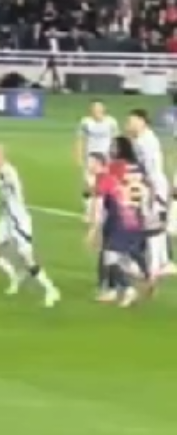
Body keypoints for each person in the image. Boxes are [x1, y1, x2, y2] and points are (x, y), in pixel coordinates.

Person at [0, 145, 60, 306]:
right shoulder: (0, 171)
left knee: (28, 260)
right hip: (6, 220)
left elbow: (6, 180)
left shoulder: (8, 171)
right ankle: (14, 276)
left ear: (1, 156)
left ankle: (51, 290)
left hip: (20, 222)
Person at [89, 138, 152, 307]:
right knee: (122, 253)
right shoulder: (139, 167)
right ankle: (139, 275)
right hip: (136, 214)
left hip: (119, 215)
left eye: (114, 147)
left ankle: (122, 286)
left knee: (109, 255)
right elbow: (147, 188)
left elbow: (107, 187)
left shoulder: (116, 167)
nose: (111, 150)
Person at [126, 108, 174, 279]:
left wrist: (153, 191)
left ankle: (152, 264)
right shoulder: (141, 139)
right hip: (150, 185)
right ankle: (162, 261)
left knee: (149, 225)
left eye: (132, 121)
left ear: (142, 121)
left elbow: (151, 168)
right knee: (153, 225)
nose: (129, 124)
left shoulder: (147, 141)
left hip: (153, 186)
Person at [74, 100, 119, 220]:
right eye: (94, 108)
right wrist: (78, 156)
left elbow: (115, 140)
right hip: (92, 157)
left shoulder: (111, 122)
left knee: (106, 186)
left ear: (104, 109)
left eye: (99, 108)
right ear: (90, 110)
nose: (96, 111)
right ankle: (89, 211)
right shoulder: (85, 122)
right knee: (89, 185)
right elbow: (80, 139)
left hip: (107, 157)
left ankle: (103, 211)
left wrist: (116, 157)